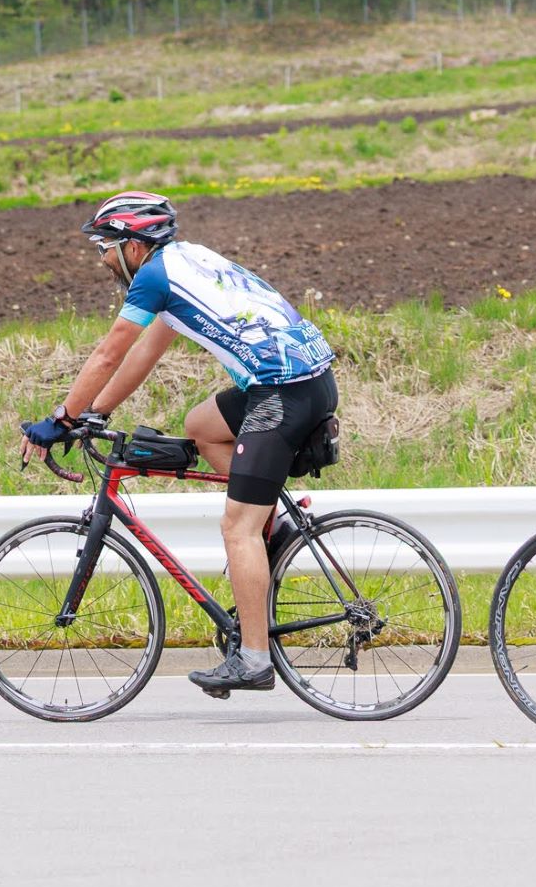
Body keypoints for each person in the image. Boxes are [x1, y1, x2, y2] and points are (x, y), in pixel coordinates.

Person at [19, 191, 338, 697]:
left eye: (104, 246)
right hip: (300, 383)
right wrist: (97, 411)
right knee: (202, 425)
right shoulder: (187, 260)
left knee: (237, 528)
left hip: (281, 394)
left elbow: (108, 354)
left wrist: (61, 418)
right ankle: (275, 529)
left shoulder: (154, 277)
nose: (102, 259)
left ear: (132, 245)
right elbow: (145, 352)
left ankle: (254, 660)